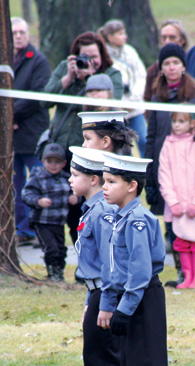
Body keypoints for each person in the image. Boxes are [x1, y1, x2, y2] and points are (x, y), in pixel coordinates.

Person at [42, 31, 123, 245]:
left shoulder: (111, 74)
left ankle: (95, 253)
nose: (88, 61)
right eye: (83, 55)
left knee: (92, 202)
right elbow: (44, 100)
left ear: (102, 55)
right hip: (61, 150)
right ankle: (78, 254)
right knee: (67, 208)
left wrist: (90, 80)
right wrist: (69, 78)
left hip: (93, 150)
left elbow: (113, 103)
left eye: (93, 56)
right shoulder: (66, 69)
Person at [97, 153, 168, 366]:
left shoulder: (137, 220)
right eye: (104, 181)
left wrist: (125, 309)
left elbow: (139, 271)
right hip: (130, 298)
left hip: (142, 299)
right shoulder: (120, 217)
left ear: (132, 186)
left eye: (111, 181)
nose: (104, 187)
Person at [145, 43, 195, 285]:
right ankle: (182, 273)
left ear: (183, 66)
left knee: (194, 226)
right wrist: (150, 174)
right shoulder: (156, 96)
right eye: (166, 64)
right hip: (167, 169)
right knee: (172, 225)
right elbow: (151, 136)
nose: (171, 68)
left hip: (190, 168)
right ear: (160, 69)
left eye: (176, 63)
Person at [68, 146, 120, 366]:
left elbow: (110, 264)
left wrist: (105, 304)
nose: (70, 179)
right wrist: (91, 300)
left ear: (93, 179)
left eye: (75, 175)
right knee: (94, 361)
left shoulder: (102, 212)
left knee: (104, 365)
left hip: (106, 294)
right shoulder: (91, 209)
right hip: (97, 293)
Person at [158, 110, 195, 289]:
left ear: (192, 123)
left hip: (194, 206)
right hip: (176, 206)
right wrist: (173, 201)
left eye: (181, 121)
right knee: (181, 241)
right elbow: (163, 174)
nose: (176, 125)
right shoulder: (167, 145)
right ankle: (187, 278)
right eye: (174, 121)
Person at [11, 17, 51, 247]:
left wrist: (10, 115)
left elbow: (37, 96)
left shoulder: (38, 61)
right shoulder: (6, 60)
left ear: (28, 34)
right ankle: (22, 229)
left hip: (33, 134)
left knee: (38, 183)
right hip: (11, 138)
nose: (18, 36)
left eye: (22, 32)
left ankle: (39, 231)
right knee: (15, 185)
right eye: (14, 32)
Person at [21, 143, 78, 281]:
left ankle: (59, 273)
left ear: (64, 163)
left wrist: (76, 197)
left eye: (57, 162)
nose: (53, 165)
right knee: (51, 248)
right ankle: (52, 274)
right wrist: (38, 201)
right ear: (43, 161)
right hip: (42, 222)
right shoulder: (37, 177)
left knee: (61, 249)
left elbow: (76, 190)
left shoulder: (66, 178)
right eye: (49, 161)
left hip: (58, 223)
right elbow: (26, 194)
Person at [100, 20, 148, 156]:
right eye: (120, 34)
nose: (124, 36)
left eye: (124, 33)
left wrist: (135, 99)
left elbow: (140, 75)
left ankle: (148, 171)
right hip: (117, 110)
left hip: (135, 107)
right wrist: (118, 104)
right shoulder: (104, 56)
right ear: (110, 37)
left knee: (143, 139)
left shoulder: (130, 52)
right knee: (123, 146)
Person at [144, 19, 189, 103]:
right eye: (164, 37)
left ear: (182, 40)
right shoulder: (153, 71)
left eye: (172, 37)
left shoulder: (192, 62)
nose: (167, 41)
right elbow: (148, 103)